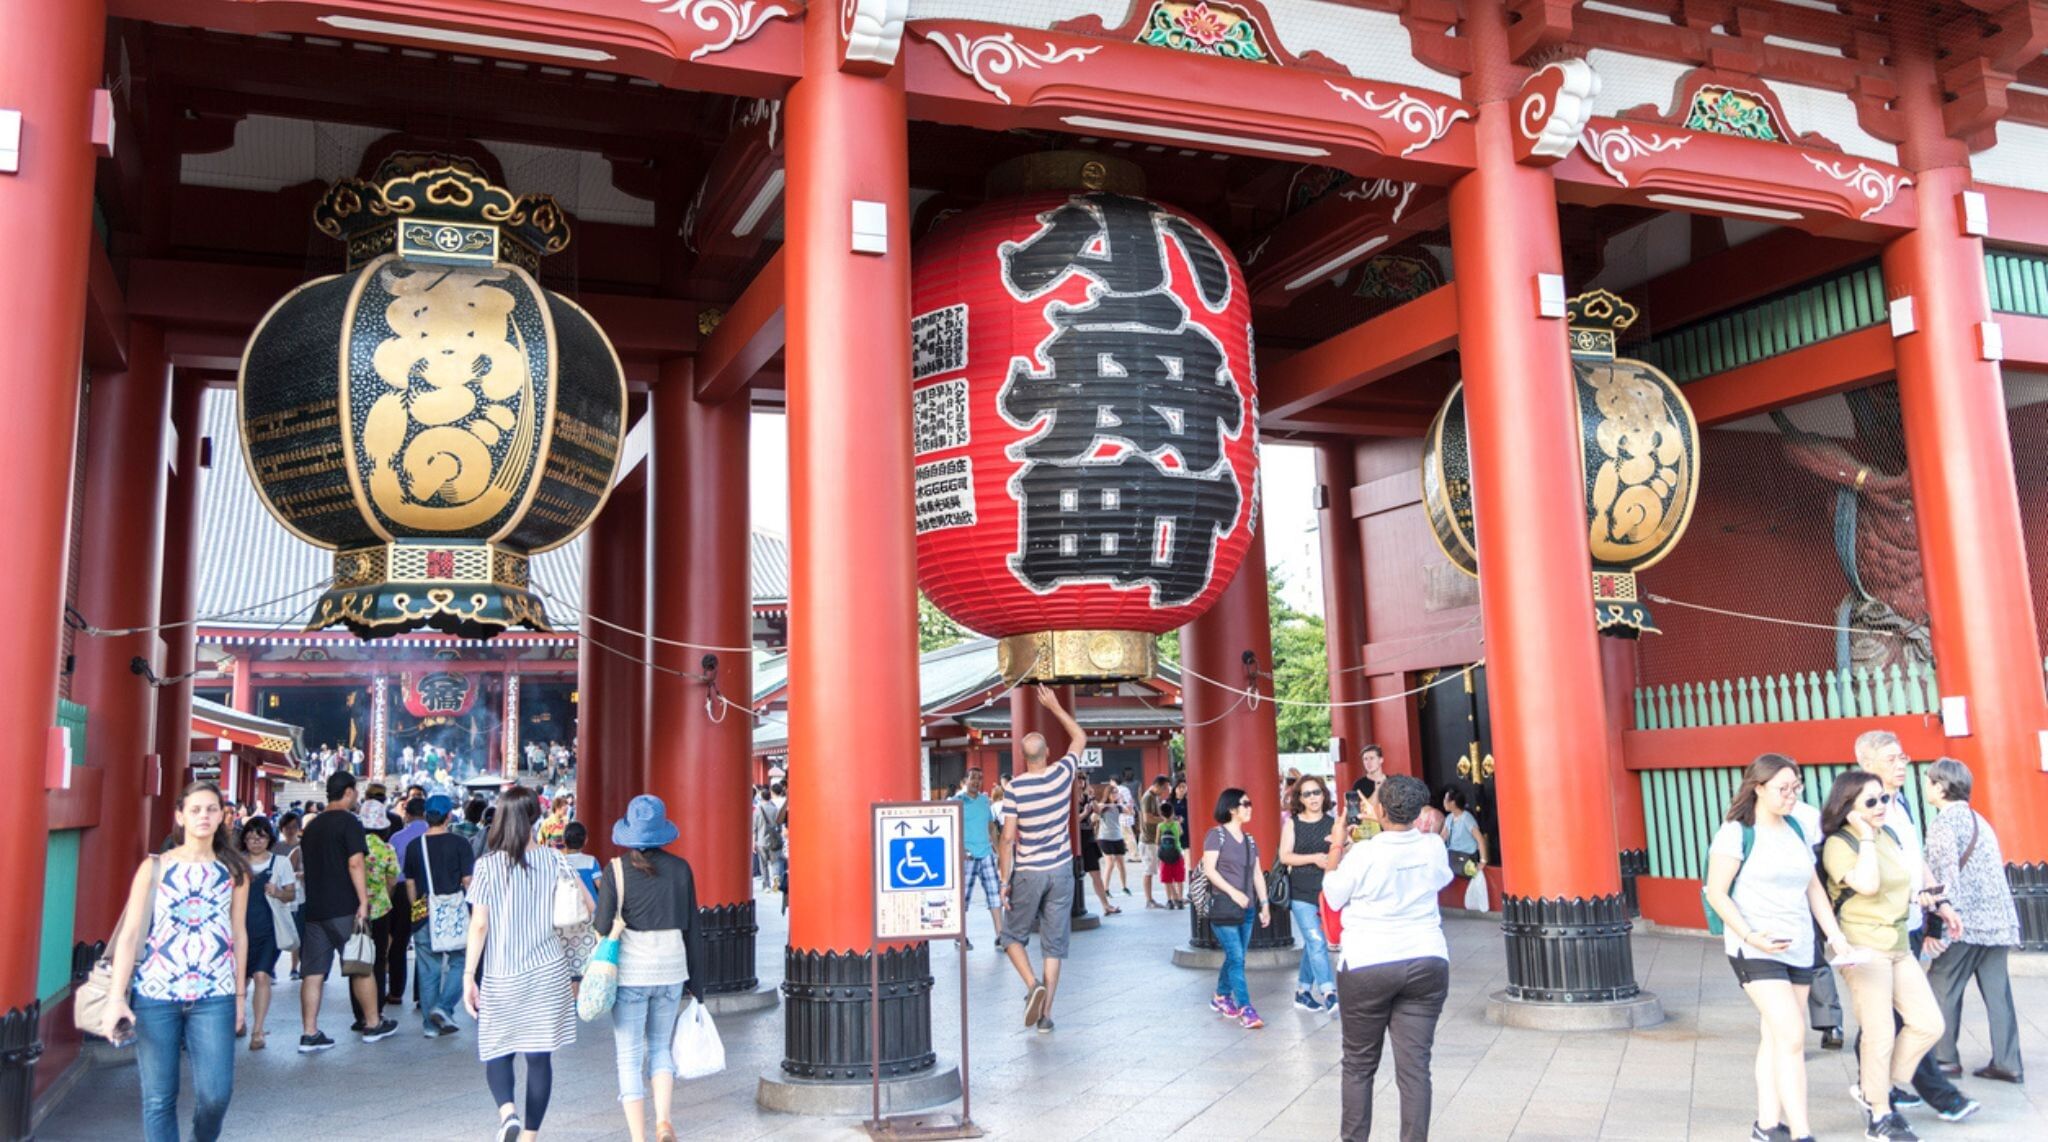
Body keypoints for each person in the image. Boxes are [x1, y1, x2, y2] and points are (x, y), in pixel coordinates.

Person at [1704, 755, 1856, 1142]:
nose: (1792, 796)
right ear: (1758, 788)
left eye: (1796, 787)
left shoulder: (1797, 826)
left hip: (1798, 945)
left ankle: (1767, 1126)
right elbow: (1717, 893)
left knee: (1775, 1037)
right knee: (1791, 1035)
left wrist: (1834, 935)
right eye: (1783, 789)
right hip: (1754, 947)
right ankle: (1802, 1132)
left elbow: (1813, 887)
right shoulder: (1736, 833)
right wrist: (1749, 934)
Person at [103, 782, 250, 1142]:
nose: (204, 816)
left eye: (211, 809)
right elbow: (130, 935)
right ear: (180, 816)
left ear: (222, 816)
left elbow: (239, 934)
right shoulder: (155, 867)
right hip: (156, 993)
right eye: (195, 809)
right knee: (158, 1098)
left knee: (216, 1095)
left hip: (215, 994)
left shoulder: (234, 871)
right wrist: (116, 998)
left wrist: (239, 997)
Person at [1850, 730, 1978, 1124]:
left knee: (1890, 1016)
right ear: (1866, 764)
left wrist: (1940, 902)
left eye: (1902, 757)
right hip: (1881, 926)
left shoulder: (1900, 802)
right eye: (1890, 759)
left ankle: (1877, 1085)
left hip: (1913, 921)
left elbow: (1914, 859)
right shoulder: (1860, 811)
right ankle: (1941, 1096)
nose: (1901, 765)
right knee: (1901, 1016)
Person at [1820, 769, 1952, 1141]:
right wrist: (1864, 836)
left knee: (1929, 1024)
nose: (1881, 806)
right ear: (1849, 806)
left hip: (1898, 943)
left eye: (1884, 798)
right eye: (1871, 801)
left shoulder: (1888, 834)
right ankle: (1880, 1114)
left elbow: (1899, 884)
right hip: (1863, 949)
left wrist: (1923, 899)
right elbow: (1868, 884)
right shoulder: (1840, 844)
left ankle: (1874, 1087)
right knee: (1879, 1032)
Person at [1324, 775, 1452, 1142]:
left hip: (1369, 961)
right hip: (1426, 959)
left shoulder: (1364, 853)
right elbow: (1441, 880)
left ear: (1380, 810)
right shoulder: (1432, 846)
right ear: (1417, 811)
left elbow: (1333, 895)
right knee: (1415, 1069)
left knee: (1359, 1064)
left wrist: (1337, 844)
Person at [464, 785, 576, 1142]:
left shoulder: (487, 866)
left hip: (502, 973)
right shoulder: (554, 860)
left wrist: (469, 975)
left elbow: (479, 925)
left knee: (497, 1048)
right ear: (535, 818)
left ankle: (507, 1114)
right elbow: (585, 906)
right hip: (548, 970)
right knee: (539, 1058)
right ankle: (529, 1137)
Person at [595, 796, 708, 1142]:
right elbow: (693, 927)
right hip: (672, 971)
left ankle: (638, 1137)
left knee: (629, 1057)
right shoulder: (681, 869)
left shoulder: (615, 870)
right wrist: (697, 983)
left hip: (631, 974)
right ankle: (663, 1122)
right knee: (660, 1047)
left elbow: (602, 926)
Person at [1920, 758, 2024, 1084]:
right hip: (1998, 920)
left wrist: (1934, 925)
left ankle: (1945, 1059)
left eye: (1929, 781)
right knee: (1998, 994)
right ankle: (2008, 1062)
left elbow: (1943, 879)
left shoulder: (1944, 824)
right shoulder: (1980, 821)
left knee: (1943, 985)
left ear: (1940, 787)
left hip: (1964, 922)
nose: (1926, 786)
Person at [999, 685, 1085, 1033]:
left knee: (1011, 936)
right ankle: (1046, 1015)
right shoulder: (1062, 774)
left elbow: (1008, 838)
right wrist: (1054, 707)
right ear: (1048, 753)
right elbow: (1079, 737)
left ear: (1023, 758)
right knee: (1054, 945)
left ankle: (1032, 984)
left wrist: (1004, 881)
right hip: (1062, 869)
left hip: (1029, 871)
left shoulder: (1015, 788)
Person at [296, 771, 391, 1051]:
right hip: (343, 906)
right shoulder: (350, 822)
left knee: (313, 972)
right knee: (360, 966)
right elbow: (355, 863)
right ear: (348, 792)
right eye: (356, 792)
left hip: (315, 908)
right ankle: (372, 1023)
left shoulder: (312, 825)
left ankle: (309, 1032)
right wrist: (362, 900)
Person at [404, 794, 476, 1037]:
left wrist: (417, 908)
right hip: (453, 912)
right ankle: (443, 1007)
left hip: (424, 911)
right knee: (461, 960)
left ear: (426, 816)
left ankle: (430, 1026)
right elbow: (468, 881)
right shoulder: (460, 844)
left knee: (428, 969)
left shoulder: (415, 845)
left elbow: (410, 884)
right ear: (448, 816)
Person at [1201, 786, 1271, 1030]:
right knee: (1237, 957)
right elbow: (1210, 871)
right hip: (1224, 907)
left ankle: (1221, 996)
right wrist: (1233, 892)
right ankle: (1246, 1008)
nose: (1250, 808)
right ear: (1232, 809)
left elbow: (1257, 874)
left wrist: (1265, 904)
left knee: (1235, 956)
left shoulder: (1250, 840)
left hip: (1247, 909)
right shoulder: (1216, 836)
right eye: (1245, 804)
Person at [1280, 775, 1344, 1013]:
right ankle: (1329, 993)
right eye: (1307, 794)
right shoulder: (1293, 823)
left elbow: (1343, 854)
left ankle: (1302, 992)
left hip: (1327, 891)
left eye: (1316, 792)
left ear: (1323, 794)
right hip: (1301, 892)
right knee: (1317, 941)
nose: (1313, 798)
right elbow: (1285, 856)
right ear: (1300, 799)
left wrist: (1343, 844)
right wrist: (1314, 858)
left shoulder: (1333, 823)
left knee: (1313, 942)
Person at [237, 816, 296, 1052]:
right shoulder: (236, 864)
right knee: (240, 979)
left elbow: (291, 894)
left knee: (262, 975)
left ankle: (258, 1030)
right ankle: (239, 1019)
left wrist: (277, 891)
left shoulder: (280, 863)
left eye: (260, 837)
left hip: (269, 930)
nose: (255, 841)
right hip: (240, 931)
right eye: (250, 837)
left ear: (269, 839)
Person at [954, 769, 1002, 950]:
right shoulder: (956, 801)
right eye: (972, 778)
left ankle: (1000, 936)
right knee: (963, 898)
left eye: (979, 778)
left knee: (995, 895)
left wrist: (998, 852)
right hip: (966, 856)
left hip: (986, 854)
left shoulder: (984, 801)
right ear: (964, 780)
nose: (976, 781)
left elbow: (991, 827)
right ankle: (960, 936)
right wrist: (958, 849)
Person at [1077, 786, 1115, 915]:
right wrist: (1084, 813)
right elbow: (1071, 820)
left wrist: (1092, 798)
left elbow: (1098, 811)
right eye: (1078, 779)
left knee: (1096, 874)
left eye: (1083, 779)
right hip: (1076, 841)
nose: (1081, 783)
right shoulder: (1069, 799)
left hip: (1089, 839)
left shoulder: (1086, 798)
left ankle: (1106, 905)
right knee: (1072, 877)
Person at [1439, 788, 1487, 884]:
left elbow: (1480, 839)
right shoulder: (1449, 818)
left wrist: (1483, 861)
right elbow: (1442, 837)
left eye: (1445, 799)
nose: (1443, 802)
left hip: (1466, 857)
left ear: (1453, 803)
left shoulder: (1467, 818)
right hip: (1453, 856)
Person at [1095, 781, 1132, 899]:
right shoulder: (1103, 806)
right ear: (1108, 794)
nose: (1115, 794)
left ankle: (1125, 887)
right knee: (1110, 863)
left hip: (1117, 837)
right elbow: (1095, 814)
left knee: (1121, 863)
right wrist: (1102, 808)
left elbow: (1130, 813)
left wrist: (1128, 806)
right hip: (1105, 837)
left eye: (1116, 792)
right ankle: (1105, 889)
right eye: (1113, 792)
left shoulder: (1118, 806)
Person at [1139, 775, 1170, 908]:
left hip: (1155, 839)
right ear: (1157, 785)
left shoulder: (1155, 797)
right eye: (1163, 788)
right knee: (1148, 871)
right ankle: (1149, 900)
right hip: (1148, 840)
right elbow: (1147, 819)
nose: (1164, 791)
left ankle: (1171, 896)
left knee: (1159, 868)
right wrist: (1165, 820)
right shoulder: (1148, 797)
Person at [752, 786, 784, 893]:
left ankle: (766, 885)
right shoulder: (776, 810)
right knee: (775, 862)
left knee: (763, 864)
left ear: (761, 797)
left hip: (761, 841)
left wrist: (753, 842)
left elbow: (754, 828)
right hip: (774, 840)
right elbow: (779, 826)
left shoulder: (757, 811)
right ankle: (775, 879)